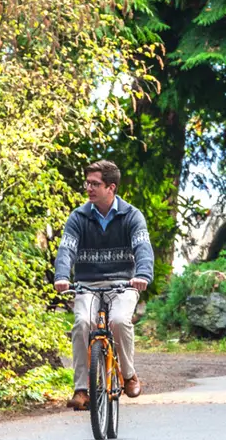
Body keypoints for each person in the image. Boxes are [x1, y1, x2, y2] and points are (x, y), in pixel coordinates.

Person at [53, 160, 155, 408]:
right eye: (87, 183)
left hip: (123, 284)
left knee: (119, 321)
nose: (88, 188)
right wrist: (62, 276)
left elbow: (143, 248)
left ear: (111, 187)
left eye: (95, 184)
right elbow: (66, 249)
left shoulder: (132, 215)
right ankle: (81, 389)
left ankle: (129, 375)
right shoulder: (78, 217)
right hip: (87, 284)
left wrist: (142, 275)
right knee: (82, 324)